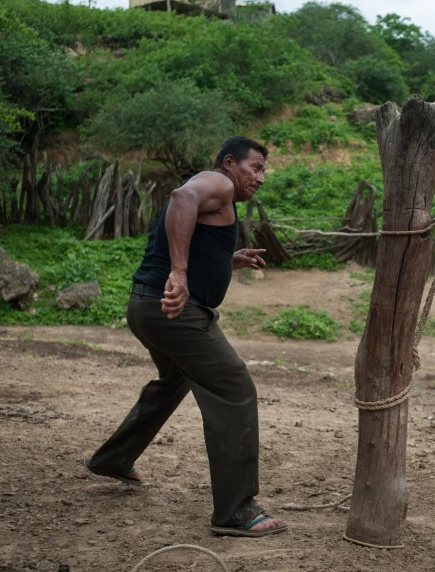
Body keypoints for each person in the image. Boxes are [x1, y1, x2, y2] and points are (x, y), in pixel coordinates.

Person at [83, 136, 287, 538]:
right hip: (177, 312)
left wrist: (230, 259)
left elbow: (191, 238)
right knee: (234, 386)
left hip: (146, 309)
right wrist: (178, 273)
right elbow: (181, 199)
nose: (261, 178)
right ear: (230, 163)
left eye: (264, 170)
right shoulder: (219, 183)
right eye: (256, 168)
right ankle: (236, 512)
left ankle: (114, 458)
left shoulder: (216, 192)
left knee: (175, 380)